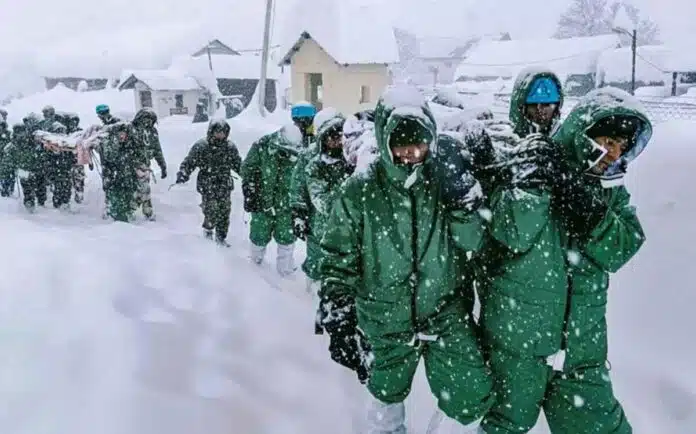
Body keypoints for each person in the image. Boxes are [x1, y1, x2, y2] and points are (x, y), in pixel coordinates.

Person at [318, 85, 493, 433]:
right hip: (384, 319)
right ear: (385, 140)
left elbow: (473, 239)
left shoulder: (443, 181)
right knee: (386, 399)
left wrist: (463, 201)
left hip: (445, 313)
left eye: (420, 143)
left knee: (470, 397)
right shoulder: (360, 190)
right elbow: (338, 254)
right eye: (401, 143)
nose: (412, 153)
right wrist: (337, 310)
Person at [477, 87, 652, 434]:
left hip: (581, 351)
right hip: (518, 349)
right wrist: (538, 185)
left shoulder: (610, 188)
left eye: (621, 144)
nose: (613, 151)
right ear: (583, 134)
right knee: (504, 425)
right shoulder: (533, 169)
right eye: (607, 140)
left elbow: (622, 246)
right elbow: (512, 233)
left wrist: (583, 202)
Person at [293, 108, 350, 297]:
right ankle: (311, 293)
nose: (336, 141)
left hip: (349, 226)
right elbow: (298, 186)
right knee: (317, 260)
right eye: (331, 137)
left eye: (340, 136)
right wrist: (298, 213)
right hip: (318, 222)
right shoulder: (311, 159)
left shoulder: (352, 155)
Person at [241, 121, 304, 275]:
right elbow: (247, 169)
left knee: (287, 237)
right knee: (259, 234)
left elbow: (304, 179)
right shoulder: (262, 145)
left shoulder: (300, 152)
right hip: (262, 201)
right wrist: (250, 191)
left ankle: (285, 271)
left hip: (287, 204)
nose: (288, 156)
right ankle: (255, 267)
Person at [175, 119, 242, 246]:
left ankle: (221, 237)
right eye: (218, 132)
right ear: (211, 132)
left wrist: (248, 176)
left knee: (224, 211)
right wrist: (184, 173)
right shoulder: (202, 146)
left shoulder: (230, 147)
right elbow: (190, 161)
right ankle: (208, 230)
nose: (220, 135)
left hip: (224, 184)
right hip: (207, 184)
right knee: (211, 209)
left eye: (223, 132)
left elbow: (238, 165)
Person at [95, 122, 145, 222]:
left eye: (124, 134)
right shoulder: (110, 146)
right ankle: (118, 221)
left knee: (128, 200)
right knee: (117, 202)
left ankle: (125, 217)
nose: (122, 136)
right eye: (120, 134)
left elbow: (139, 158)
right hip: (115, 180)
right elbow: (109, 158)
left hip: (128, 180)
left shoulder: (131, 145)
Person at [132, 108, 167, 220]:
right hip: (132, 165)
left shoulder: (152, 132)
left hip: (145, 166)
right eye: (145, 119)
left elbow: (157, 149)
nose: (147, 122)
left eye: (150, 120)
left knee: (144, 189)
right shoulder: (132, 130)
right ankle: (134, 210)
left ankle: (145, 211)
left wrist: (162, 165)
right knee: (140, 189)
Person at [509, 67, 564, 137]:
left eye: (547, 104)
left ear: (557, 107)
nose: (540, 110)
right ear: (521, 108)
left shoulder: (566, 141)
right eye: (533, 105)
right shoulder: (506, 143)